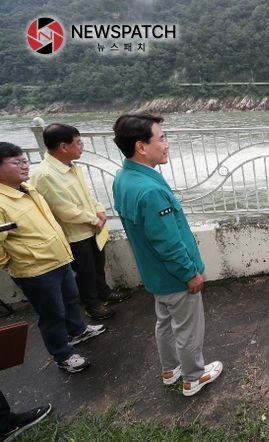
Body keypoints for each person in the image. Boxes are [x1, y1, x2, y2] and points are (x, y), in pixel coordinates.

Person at [111, 113, 222, 397]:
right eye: (161, 138)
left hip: (155, 276)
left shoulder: (124, 179)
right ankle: (194, 378)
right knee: (187, 330)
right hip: (175, 277)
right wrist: (190, 273)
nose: (167, 144)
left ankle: (170, 369)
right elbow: (168, 243)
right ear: (141, 146)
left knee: (165, 323)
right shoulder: (149, 190)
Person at [0, 142, 106, 373]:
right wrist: (9, 260)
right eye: (16, 162)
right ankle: (62, 354)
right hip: (34, 268)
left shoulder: (27, 189)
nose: (24, 165)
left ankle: (78, 330)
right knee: (52, 313)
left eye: (24, 160)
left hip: (58, 257)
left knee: (70, 298)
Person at [30, 124, 130, 321]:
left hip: (92, 228)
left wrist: (99, 210)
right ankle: (92, 305)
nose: (82, 146)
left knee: (97, 265)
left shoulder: (71, 166)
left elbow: (86, 193)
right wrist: (94, 219)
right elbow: (63, 209)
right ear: (63, 147)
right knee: (85, 271)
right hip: (74, 233)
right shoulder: (45, 175)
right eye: (78, 142)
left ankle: (104, 293)